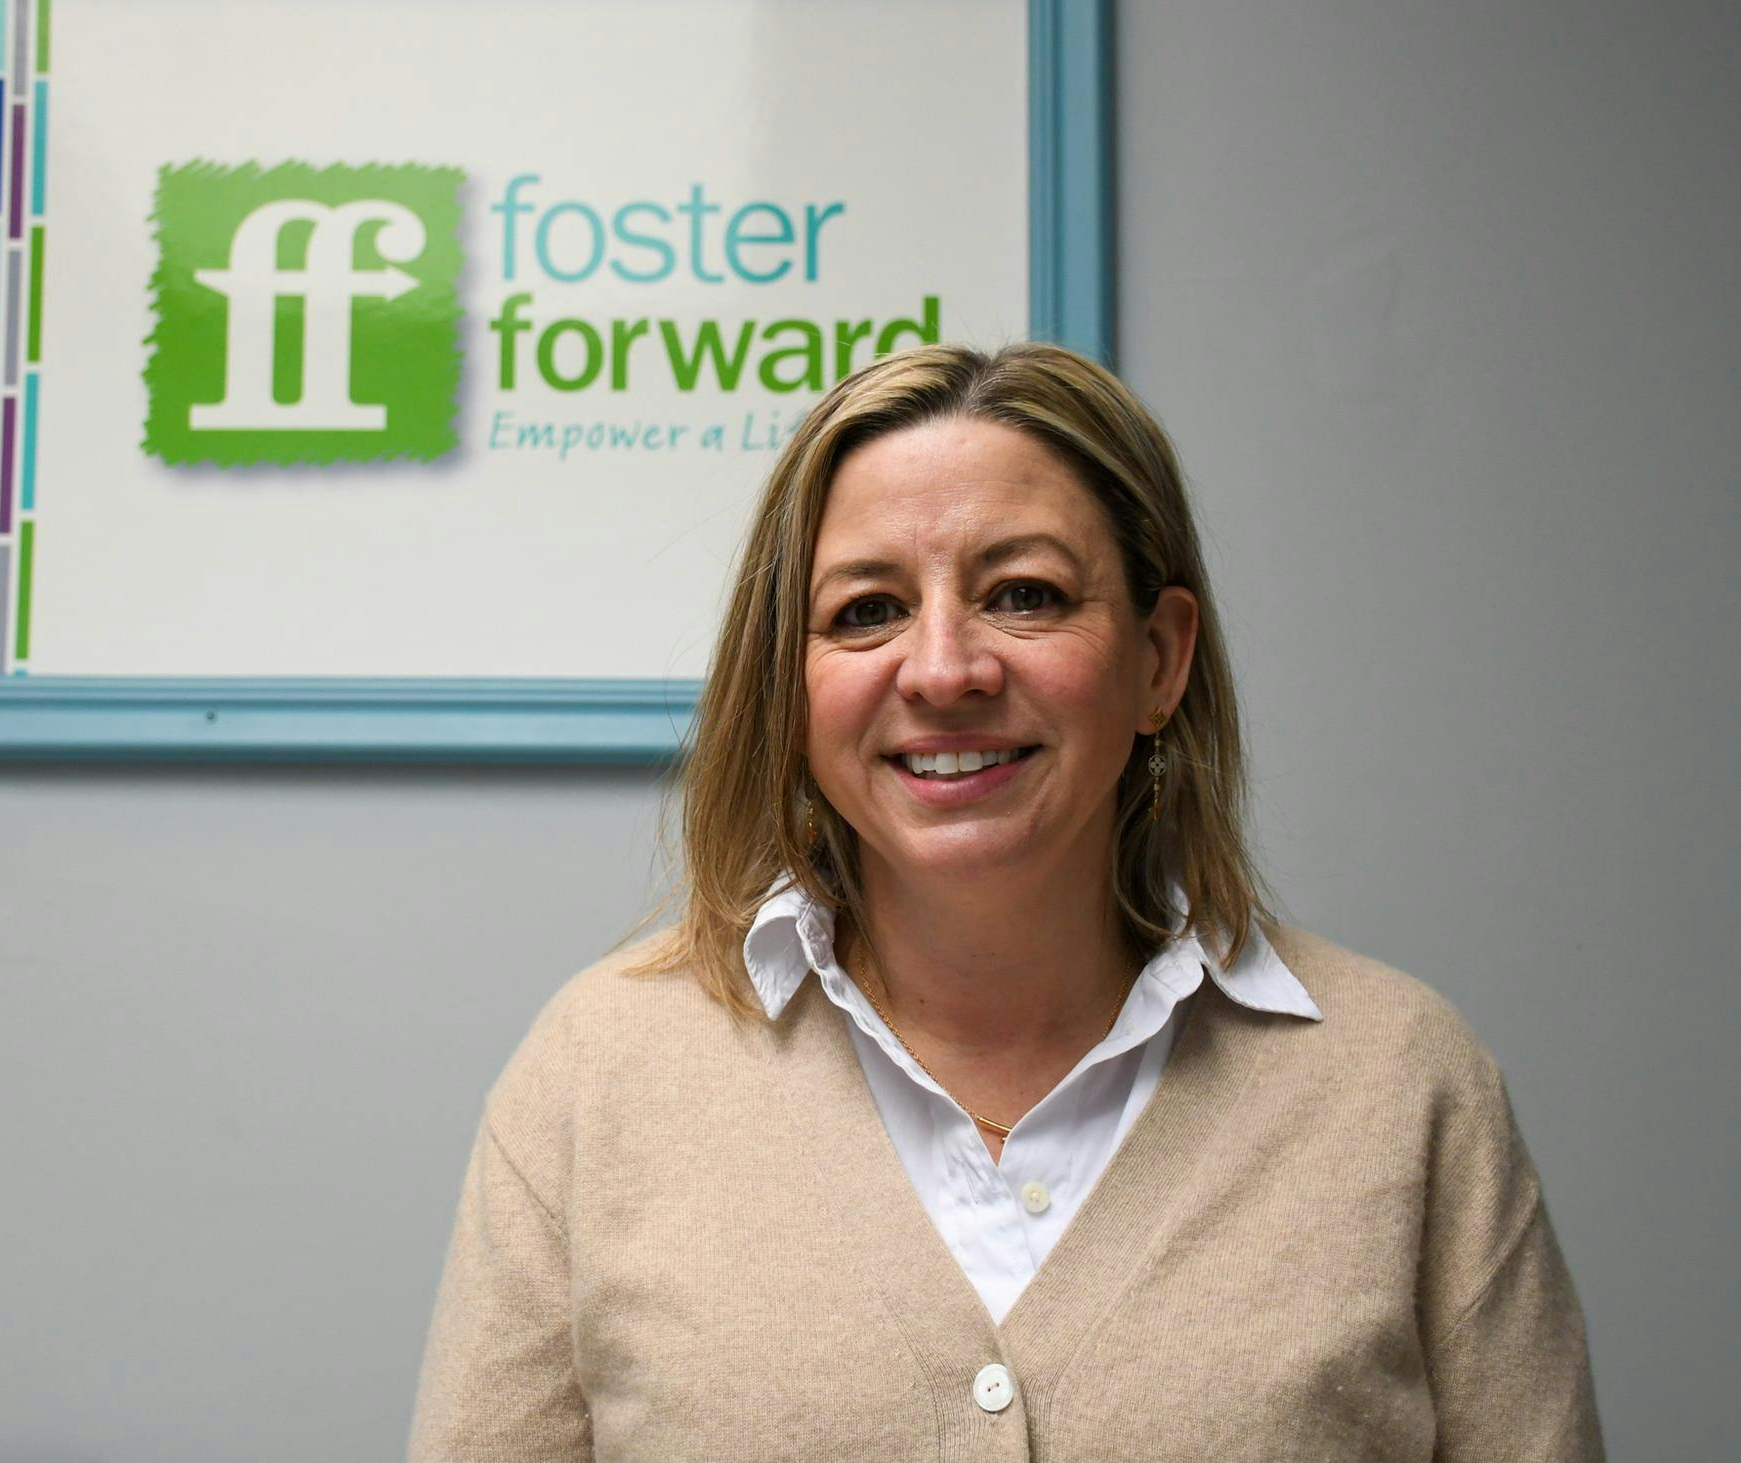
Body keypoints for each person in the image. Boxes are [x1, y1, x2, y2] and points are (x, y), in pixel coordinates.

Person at [409, 342, 1603, 1461]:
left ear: (1157, 659)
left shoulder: (1400, 1083)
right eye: (864, 610)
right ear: (791, 679)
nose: (942, 669)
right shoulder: (597, 1074)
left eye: (1023, 594)